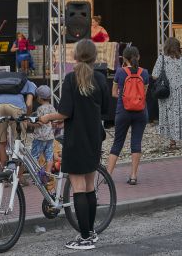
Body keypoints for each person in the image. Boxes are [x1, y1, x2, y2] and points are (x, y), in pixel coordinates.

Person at [39, 39, 109, 250]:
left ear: (76, 56)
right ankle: (91, 233)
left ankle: (85, 237)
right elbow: (105, 108)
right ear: (94, 57)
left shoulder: (71, 79)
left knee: (78, 188)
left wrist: (47, 117)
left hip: (76, 139)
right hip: (94, 137)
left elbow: (65, 112)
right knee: (89, 187)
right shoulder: (100, 78)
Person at [107, 46, 149, 185]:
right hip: (141, 112)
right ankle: (133, 176)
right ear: (139, 57)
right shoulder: (145, 73)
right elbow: (144, 94)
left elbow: (113, 93)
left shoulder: (120, 72)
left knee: (117, 143)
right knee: (136, 143)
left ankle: (108, 176)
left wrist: (124, 97)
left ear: (124, 59)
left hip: (123, 111)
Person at [0, 74, 36, 184]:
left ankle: (3, 176)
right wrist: (27, 116)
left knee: (1, 142)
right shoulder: (29, 83)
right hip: (16, 107)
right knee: (20, 142)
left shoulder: (2, 81)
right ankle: (19, 177)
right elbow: (29, 103)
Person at [152, 37, 182, 150]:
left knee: (170, 116)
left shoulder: (162, 59)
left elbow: (154, 75)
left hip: (168, 92)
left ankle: (173, 142)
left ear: (166, 47)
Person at [30, 85, 56, 175]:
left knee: (34, 156)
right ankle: (48, 174)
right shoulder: (52, 107)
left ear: (40, 98)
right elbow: (54, 121)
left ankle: (36, 174)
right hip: (50, 137)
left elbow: (39, 122)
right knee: (49, 157)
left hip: (39, 137)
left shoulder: (40, 109)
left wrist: (30, 123)